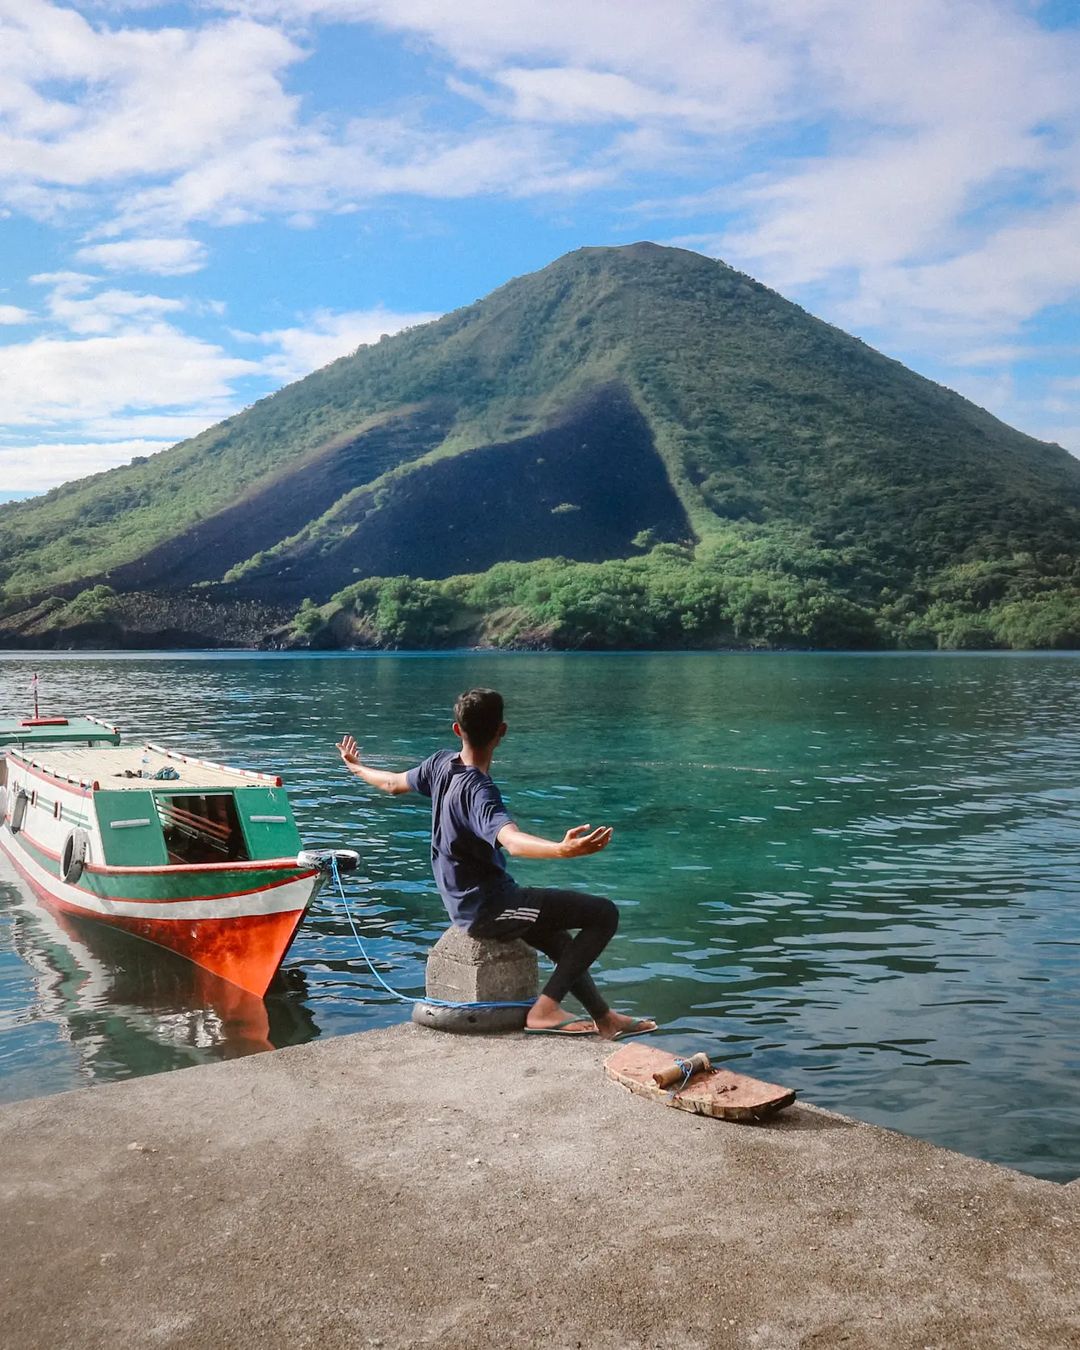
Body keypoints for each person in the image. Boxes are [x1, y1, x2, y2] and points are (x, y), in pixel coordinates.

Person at [337, 687, 656, 1039]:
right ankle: (545, 1010)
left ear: (457, 730)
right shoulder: (480, 792)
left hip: (476, 902)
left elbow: (393, 783)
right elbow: (511, 841)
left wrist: (355, 766)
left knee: (555, 936)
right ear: (502, 731)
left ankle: (604, 1018)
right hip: (487, 909)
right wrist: (561, 850)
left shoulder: (440, 764)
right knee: (604, 914)